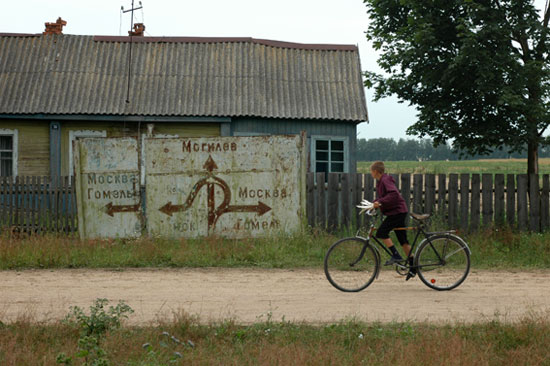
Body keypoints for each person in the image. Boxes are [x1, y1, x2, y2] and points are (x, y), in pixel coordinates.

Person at [370, 161, 416, 280]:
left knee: (381, 232)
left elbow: (393, 194)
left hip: (397, 212)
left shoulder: (385, 180)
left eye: (371, 171)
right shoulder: (382, 181)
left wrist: (380, 202)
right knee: (403, 241)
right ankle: (413, 266)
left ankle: (396, 255)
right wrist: (374, 203)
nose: (371, 173)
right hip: (398, 211)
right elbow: (383, 197)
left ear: (375, 171)